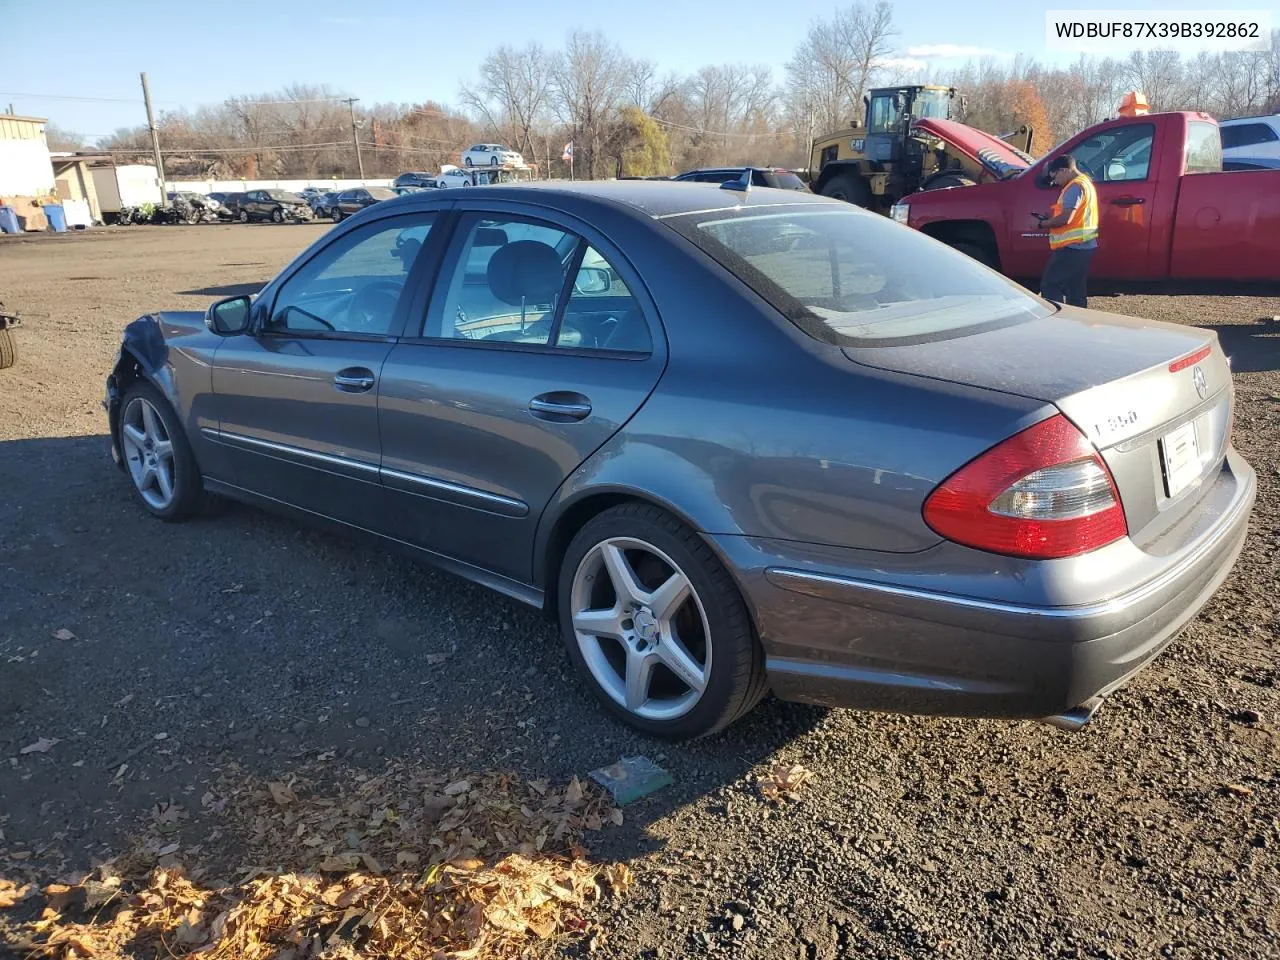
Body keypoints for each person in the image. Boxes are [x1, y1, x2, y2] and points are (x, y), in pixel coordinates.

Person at [1034, 154, 1098, 308]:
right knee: (1075, 289)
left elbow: (1065, 219)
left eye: (1054, 177)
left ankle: (1059, 322)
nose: (1054, 182)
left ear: (1063, 170)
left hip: (1073, 247)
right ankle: (1078, 323)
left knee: (1050, 284)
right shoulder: (1085, 183)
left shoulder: (1075, 187)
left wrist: (1043, 223)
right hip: (1085, 245)